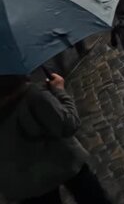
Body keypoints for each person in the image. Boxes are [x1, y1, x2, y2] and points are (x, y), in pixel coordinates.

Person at [0, 74, 110, 204]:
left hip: (23, 183)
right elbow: (68, 125)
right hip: (63, 162)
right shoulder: (31, 94)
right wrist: (59, 90)